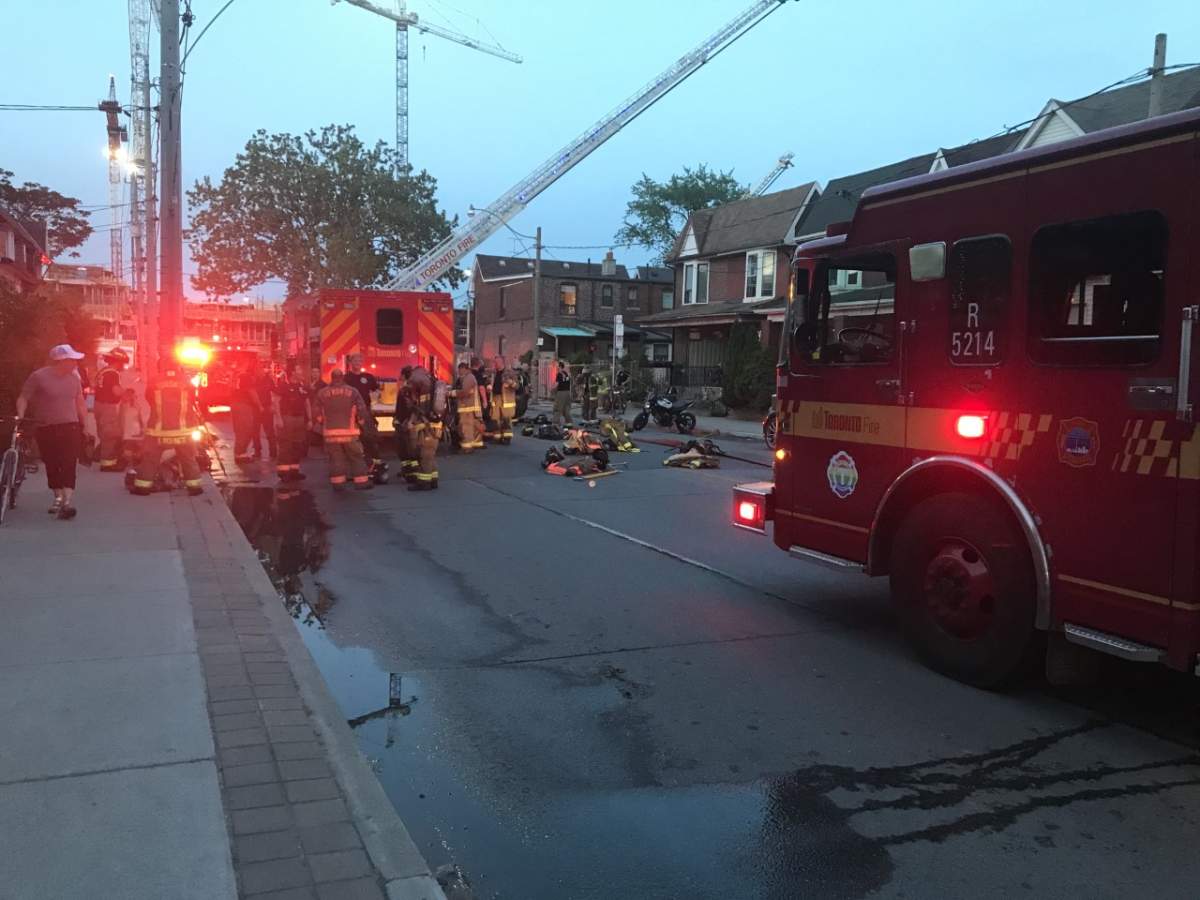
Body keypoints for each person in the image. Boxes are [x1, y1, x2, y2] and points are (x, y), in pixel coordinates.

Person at [16, 344, 89, 519]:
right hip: (46, 426)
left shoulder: (74, 379)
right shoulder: (39, 377)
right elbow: (24, 397)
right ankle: (58, 496)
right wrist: (21, 416)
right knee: (52, 462)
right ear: (61, 361)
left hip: (70, 426)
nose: (75, 363)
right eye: (72, 360)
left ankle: (67, 502)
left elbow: (80, 402)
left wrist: (85, 424)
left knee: (69, 462)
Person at [130, 357, 203, 497]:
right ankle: (195, 487)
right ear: (178, 366)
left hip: (158, 430)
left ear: (161, 367)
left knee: (150, 458)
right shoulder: (186, 380)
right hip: (184, 430)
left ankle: (142, 487)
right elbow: (193, 399)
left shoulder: (154, 381)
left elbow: (149, 398)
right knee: (188, 458)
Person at [314, 369, 372, 491]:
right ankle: (361, 482)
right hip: (349, 433)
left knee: (336, 459)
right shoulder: (353, 391)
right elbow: (362, 409)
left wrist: (321, 422)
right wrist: (361, 422)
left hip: (330, 433)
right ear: (342, 378)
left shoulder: (322, 393)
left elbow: (316, 412)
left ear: (332, 378)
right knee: (356, 457)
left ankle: (338, 484)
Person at [400, 365, 440, 491]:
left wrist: (410, 421)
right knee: (430, 453)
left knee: (425, 454)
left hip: (425, 426)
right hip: (435, 424)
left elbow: (414, 407)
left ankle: (424, 482)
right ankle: (433, 479)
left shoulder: (416, 383)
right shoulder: (431, 381)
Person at [94, 348, 130, 471]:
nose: (123, 366)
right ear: (118, 362)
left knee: (104, 433)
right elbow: (116, 391)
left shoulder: (102, 372)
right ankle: (108, 464)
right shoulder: (113, 373)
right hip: (108, 407)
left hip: (98, 405)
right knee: (110, 435)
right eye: (122, 363)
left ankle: (100, 455)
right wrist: (126, 393)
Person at [273, 363, 309, 482]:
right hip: (287, 417)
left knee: (297, 445)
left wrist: (309, 419)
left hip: (299, 418)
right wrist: (278, 418)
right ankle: (283, 472)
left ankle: (294, 471)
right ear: (293, 372)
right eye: (299, 369)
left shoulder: (302, 386)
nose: (301, 372)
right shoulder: (283, 386)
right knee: (286, 445)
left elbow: (306, 402)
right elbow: (276, 401)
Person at [345, 353, 381, 472]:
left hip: (365, 411)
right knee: (353, 440)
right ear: (350, 363)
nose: (358, 363)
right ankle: (356, 464)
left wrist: (375, 400)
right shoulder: (346, 378)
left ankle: (374, 464)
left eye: (360, 361)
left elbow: (377, 391)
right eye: (355, 361)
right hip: (350, 413)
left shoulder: (368, 377)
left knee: (369, 437)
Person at [230, 365, 261, 463]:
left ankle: (241, 454)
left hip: (236, 405)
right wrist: (260, 406)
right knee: (246, 430)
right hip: (244, 406)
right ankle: (240, 454)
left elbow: (231, 389)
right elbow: (252, 393)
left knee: (240, 430)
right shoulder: (247, 378)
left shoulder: (239, 377)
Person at [452, 361, 483, 453]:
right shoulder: (467, 377)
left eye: (460, 370)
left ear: (464, 369)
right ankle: (475, 443)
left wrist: (452, 393)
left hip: (467, 407)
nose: (459, 372)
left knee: (466, 427)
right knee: (472, 426)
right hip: (468, 407)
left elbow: (465, 392)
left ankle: (467, 447)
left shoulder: (469, 378)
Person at [489, 355, 519, 444]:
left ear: (502, 362)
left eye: (497, 362)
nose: (495, 364)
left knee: (506, 420)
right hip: (495, 398)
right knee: (495, 419)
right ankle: (497, 437)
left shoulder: (510, 373)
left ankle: (507, 437)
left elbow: (517, 386)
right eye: (495, 362)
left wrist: (511, 383)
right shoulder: (493, 373)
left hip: (506, 399)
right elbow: (490, 382)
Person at [253, 362, 277, 460]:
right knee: (255, 432)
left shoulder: (269, 380)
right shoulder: (253, 380)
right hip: (255, 409)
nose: (259, 371)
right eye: (257, 369)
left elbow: (275, 392)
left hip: (267, 408)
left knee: (270, 431)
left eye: (260, 369)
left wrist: (273, 405)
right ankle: (257, 451)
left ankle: (273, 452)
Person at [553, 360, 573, 425]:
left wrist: (552, 389)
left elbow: (557, 384)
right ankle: (569, 422)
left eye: (557, 366)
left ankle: (555, 422)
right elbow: (568, 382)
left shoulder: (559, 374)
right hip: (567, 393)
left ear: (560, 367)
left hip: (561, 393)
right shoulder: (566, 374)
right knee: (566, 408)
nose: (556, 368)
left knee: (557, 408)